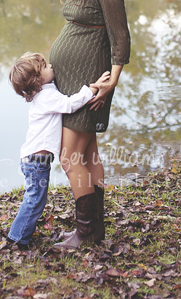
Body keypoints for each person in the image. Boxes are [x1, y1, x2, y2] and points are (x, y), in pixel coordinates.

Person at [44, 0, 131, 249]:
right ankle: (95, 231)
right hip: (71, 82)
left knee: (69, 159)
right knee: (88, 152)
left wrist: (113, 81)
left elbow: (120, 37)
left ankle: (84, 234)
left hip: (91, 82)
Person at [6, 52, 110, 251]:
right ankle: (17, 238)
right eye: (44, 66)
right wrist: (92, 88)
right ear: (37, 80)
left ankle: (21, 235)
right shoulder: (46, 97)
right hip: (36, 161)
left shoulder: (45, 92)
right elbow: (69, 105)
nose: (50, 66)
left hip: (35, 160)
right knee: (35, 198)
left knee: (36, 198)